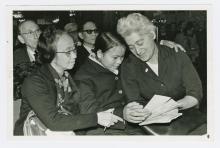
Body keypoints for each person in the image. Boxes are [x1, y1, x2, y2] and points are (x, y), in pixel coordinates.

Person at [14, 26, 123, 136]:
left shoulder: (67, 78)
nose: (75, 55)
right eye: (68, 52)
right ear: (50, 54)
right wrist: (97, 118)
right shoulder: (35, 82)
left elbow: (81, 111)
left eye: (74, 49)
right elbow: (53, 121)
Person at [117, 13, 204, 132]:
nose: (137, 51)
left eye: (140, 43)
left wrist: (175, 105)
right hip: (155, 126)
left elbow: (195, 92)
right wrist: (131, 112)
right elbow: (135, 101)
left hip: (189, 118)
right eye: (131, 47)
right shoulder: (128, 67)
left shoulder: (176, 55)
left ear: (152, 35)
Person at [74, 32, 147, 135]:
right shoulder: (83, 77)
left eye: (122, 57)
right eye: (115, 58)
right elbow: (90, 112)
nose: (119, 62)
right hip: (102, 130)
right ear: (99, 53)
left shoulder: (116, 64)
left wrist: (163, 45)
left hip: (131, 127)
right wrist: (122, 113)